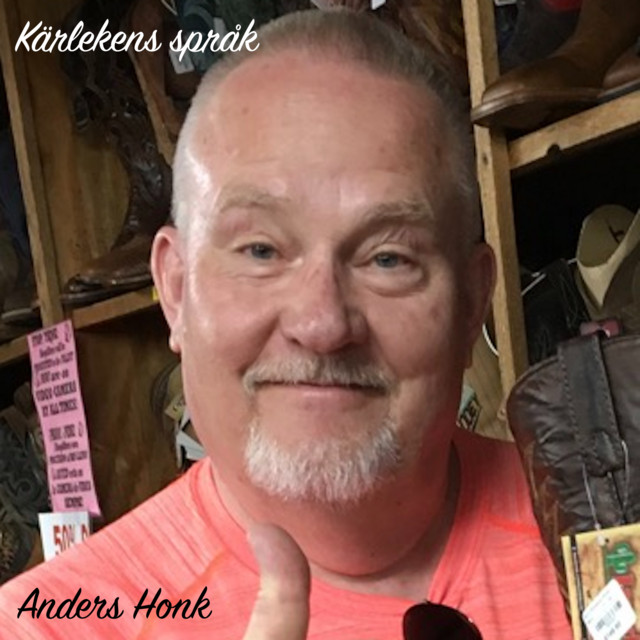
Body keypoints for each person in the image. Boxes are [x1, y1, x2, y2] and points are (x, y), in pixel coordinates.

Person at [0, 9, 571, 639]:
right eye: (261, 251)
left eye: (388, 258)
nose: (322, 324)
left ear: (473, 302)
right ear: (176, 290)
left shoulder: (610, 526)